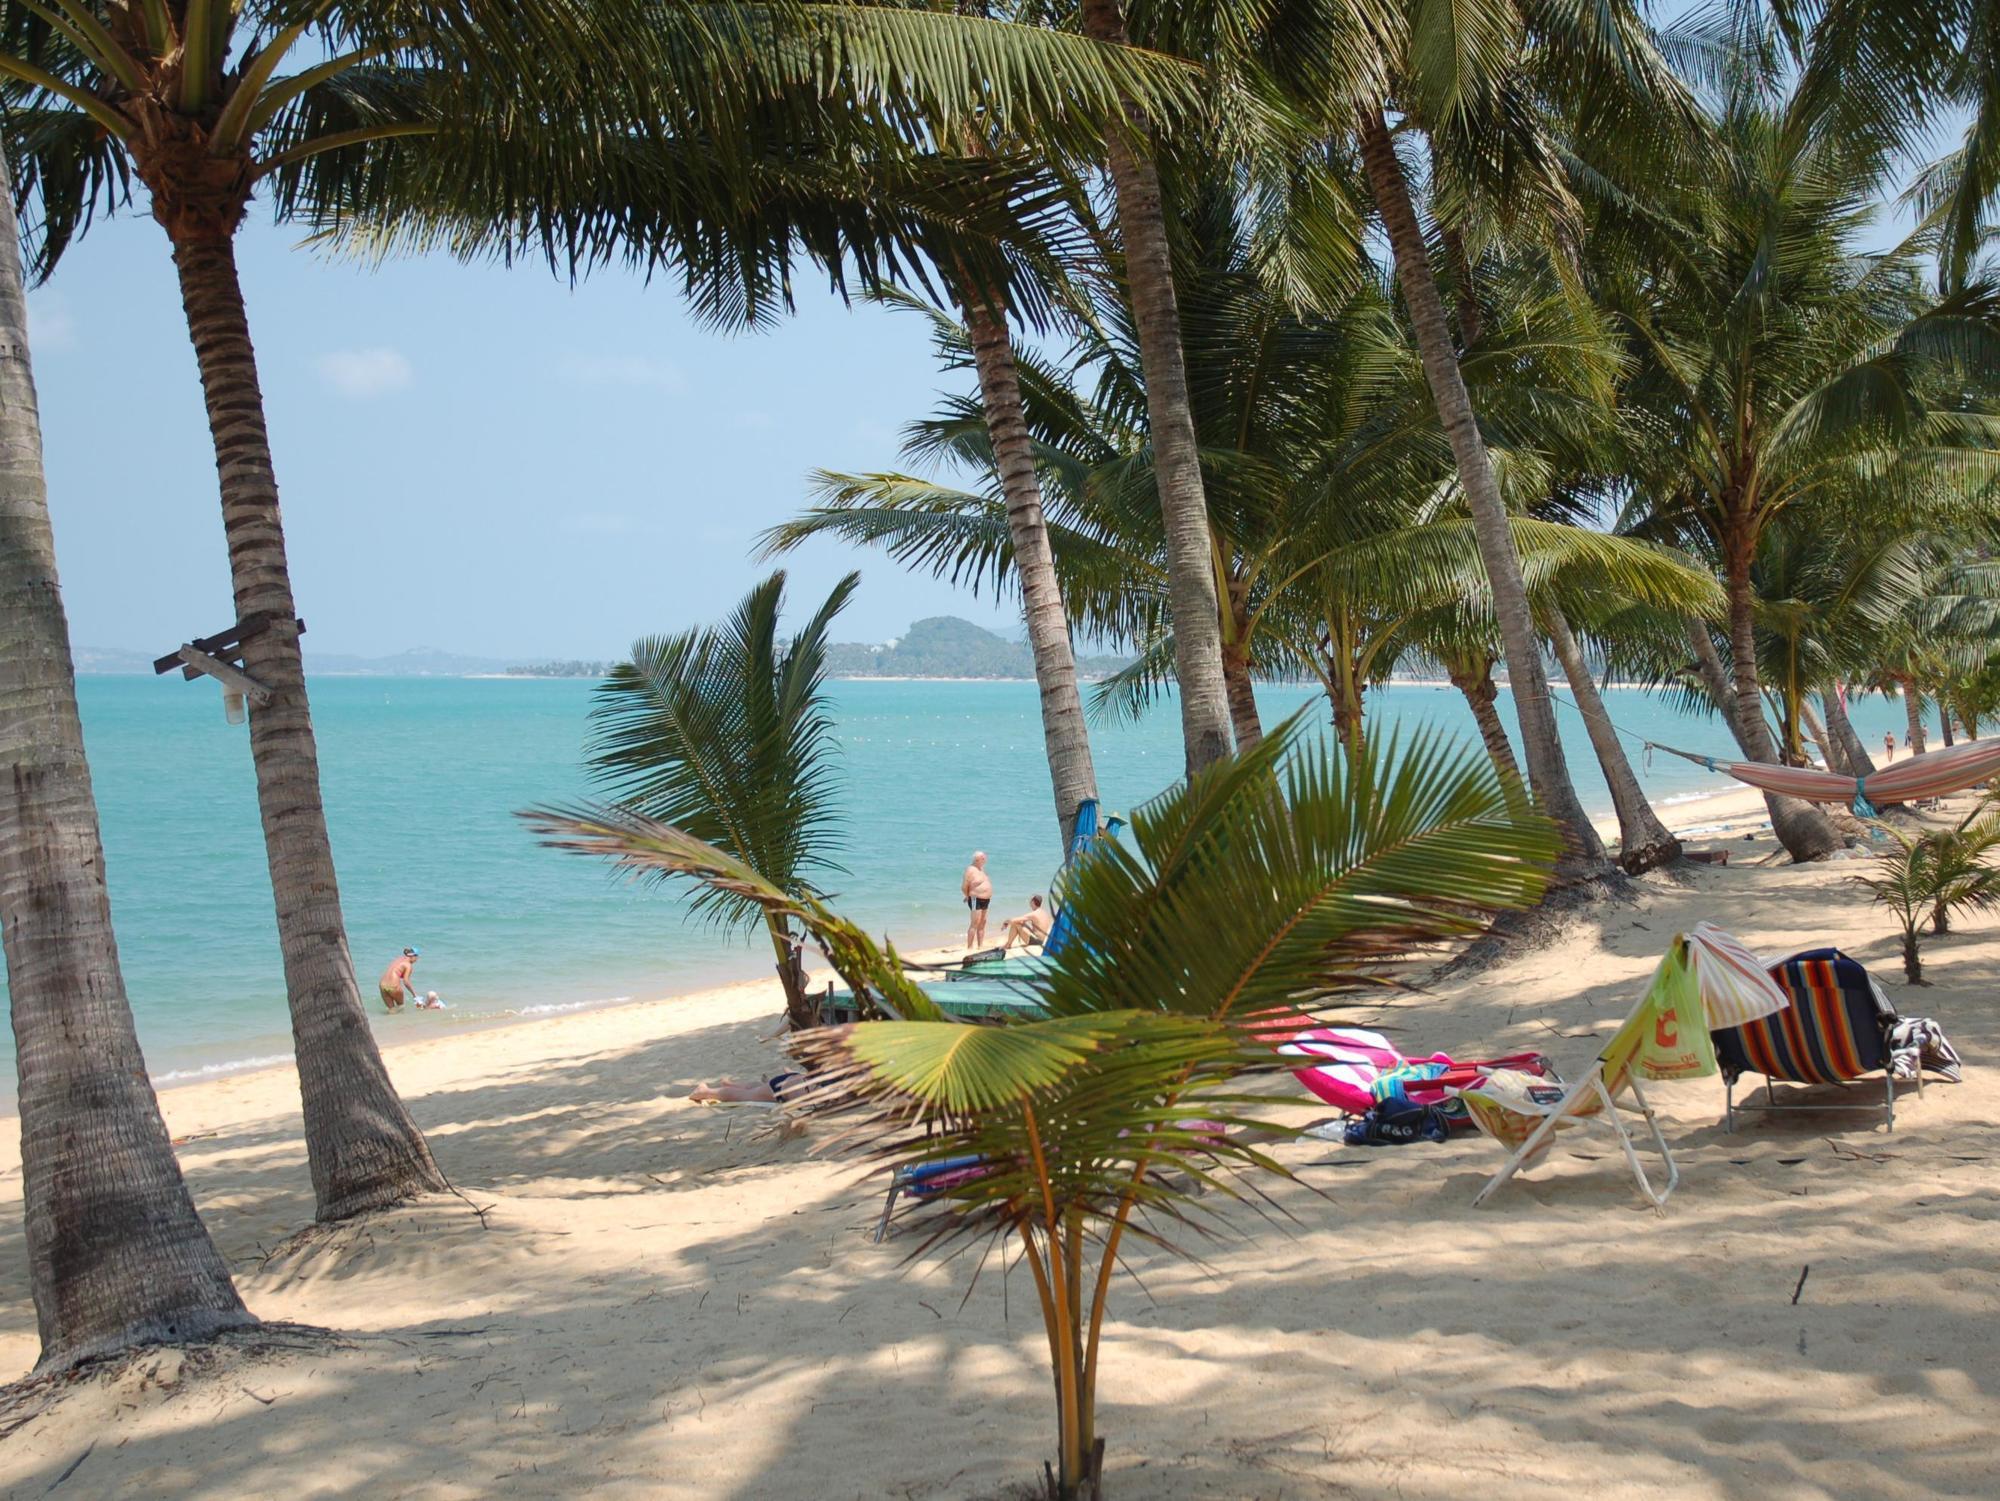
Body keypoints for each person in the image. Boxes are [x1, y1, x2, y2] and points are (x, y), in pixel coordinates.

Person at [688, 1071, 806, 1104]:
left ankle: (733, 1085)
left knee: (760, 1089)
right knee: (746, 1095)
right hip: (783, 1088)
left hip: (794, 1080)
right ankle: (705, 1092)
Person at [961, 850, 993, 950]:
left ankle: (980, 945)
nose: (985, 859)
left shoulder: (981, 869)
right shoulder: (970, 870)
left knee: (983, 922)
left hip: (986, 899)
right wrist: (967, 896)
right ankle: (970, 947)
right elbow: (964, 886)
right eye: (983, 858)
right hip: (975, 899)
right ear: (977, 859)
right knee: (975, 922)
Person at [378, 947, 420, 1011]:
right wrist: (415, 995)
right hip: (393, 986)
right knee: (400, 1007)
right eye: (417, 958)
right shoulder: (408, 965)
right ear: (413, 956)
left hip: (382, 985)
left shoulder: (398, 959)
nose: (416, 960)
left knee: (391, 1010)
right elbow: (406, 981)